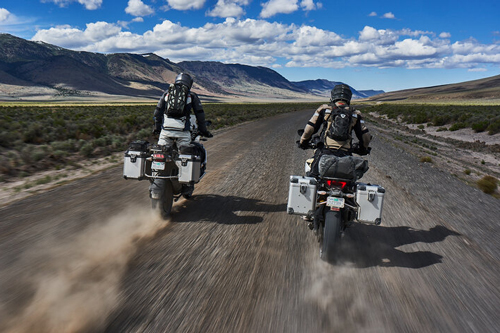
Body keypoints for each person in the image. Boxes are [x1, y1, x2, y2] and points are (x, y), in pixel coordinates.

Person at [298, 84, 372, 178]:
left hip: (324, 152)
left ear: (333, 96)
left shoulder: (324, 109)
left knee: (313, 178)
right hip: (345, 155)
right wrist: (364, 148)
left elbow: (309, 129)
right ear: (348, 97)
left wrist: (303, 141)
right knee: (350, 182)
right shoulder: (355, 114)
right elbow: (366, 137)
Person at [153, 72, 212, 151]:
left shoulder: (167, 94)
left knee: (161, 152)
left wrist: (157, 128)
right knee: (185, 155)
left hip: (166, 131)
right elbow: (200, 115)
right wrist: (203, 130)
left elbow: (157, 113)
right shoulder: (192, 96)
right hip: (183, 132)